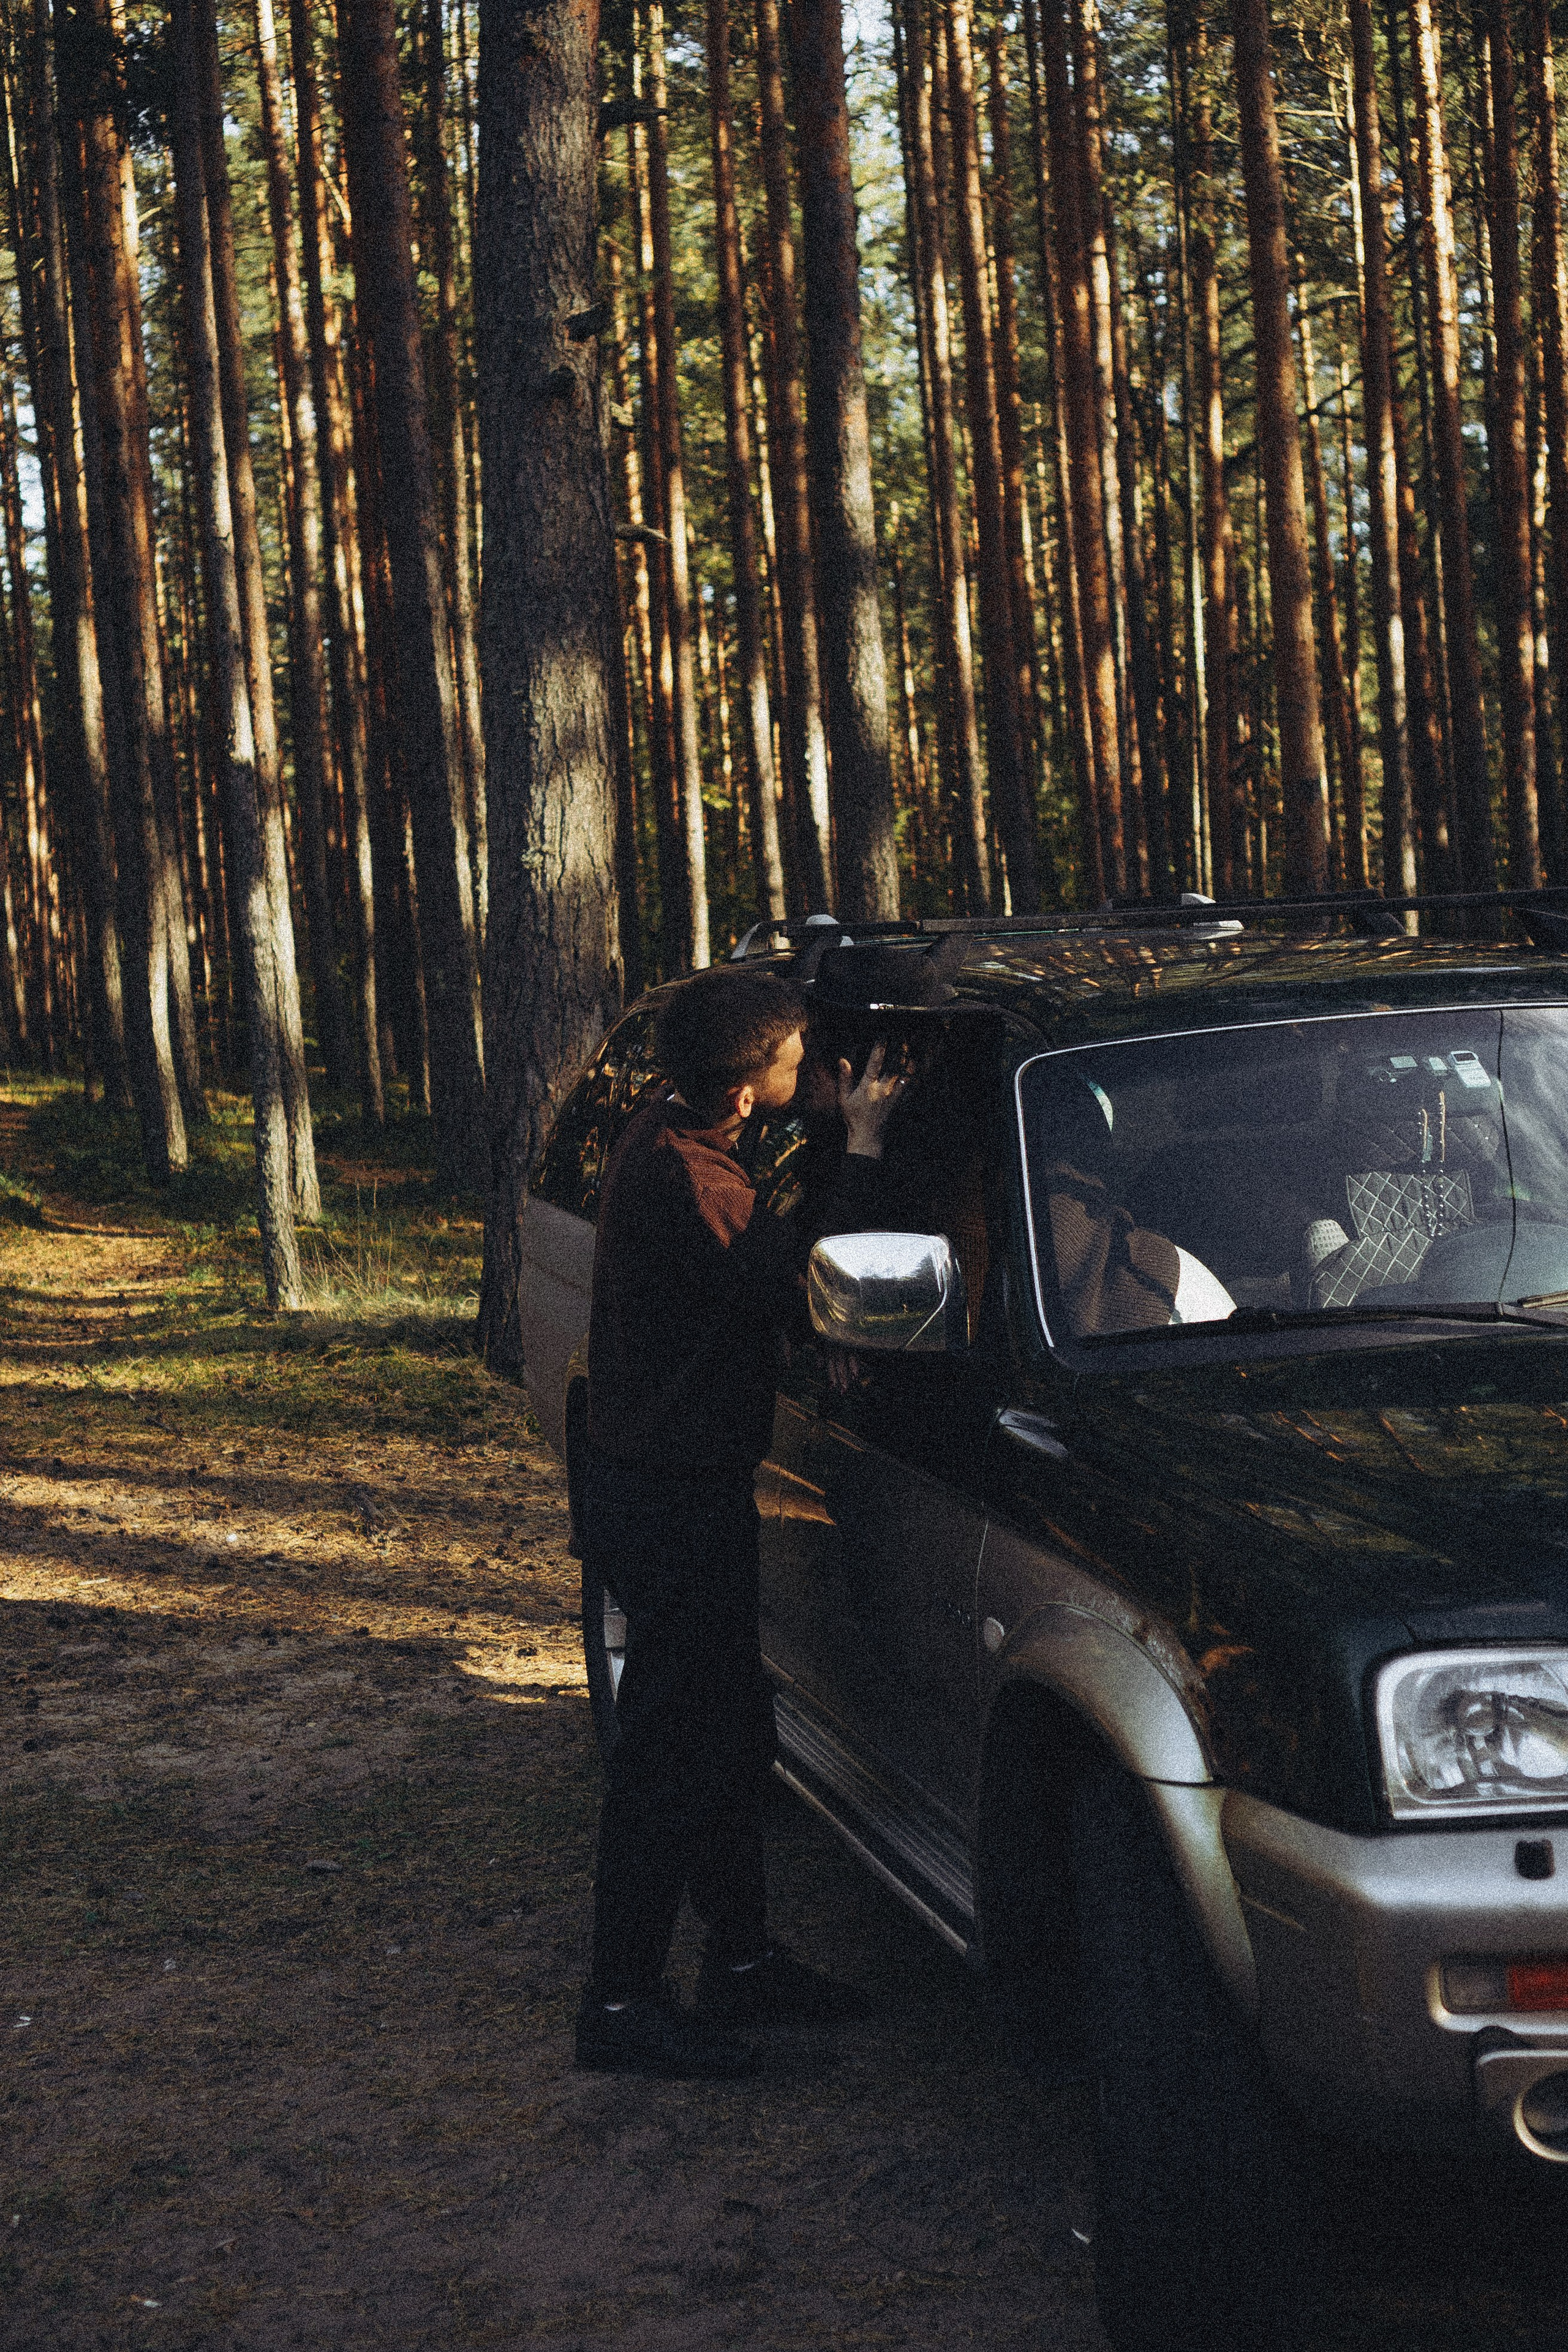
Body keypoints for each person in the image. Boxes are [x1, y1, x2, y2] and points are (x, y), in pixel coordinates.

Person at [575, 967, 906, 2079]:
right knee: (671, 1752)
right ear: (748, 1085)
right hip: (669, 1498)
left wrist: (819, 1122)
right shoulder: (692, 1180)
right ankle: (618, 2005)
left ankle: (743, 1962)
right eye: (795, 1054)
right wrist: (861, 1148)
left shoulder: (678, 1135)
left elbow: (756, 1243)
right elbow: (815, 1287)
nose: (809, 1064)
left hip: (664, 1483)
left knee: (725, 1730)